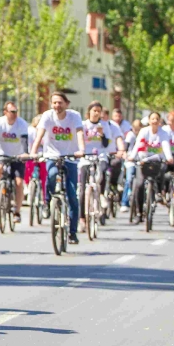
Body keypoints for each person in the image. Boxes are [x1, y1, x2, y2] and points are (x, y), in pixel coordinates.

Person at [30, 92, 85, 244]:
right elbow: (40, 135)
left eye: (60, 102)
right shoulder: (47, 116)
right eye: (54, 102)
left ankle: (72, 233)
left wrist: (81, 149)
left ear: (67, 104)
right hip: (52, 155)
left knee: (72, 195)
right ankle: (48, 202)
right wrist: (33, 152)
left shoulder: (74, 116)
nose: (57, 105)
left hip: (70, 157)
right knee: (52, 174)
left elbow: (79, 133)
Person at [0, 101, 29, 223]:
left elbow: (24, 140)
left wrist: (25, 153)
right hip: (2, 154)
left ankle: (17, 211)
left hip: (18, 156)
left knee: (19, 183)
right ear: (5, 112)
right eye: (12, 111)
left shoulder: (21, 123)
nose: (15, 114)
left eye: (16, 111)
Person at [128, 112, 170, 217]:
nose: (155, 121)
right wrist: (132, 156)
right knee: (140, 184)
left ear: (159, 121)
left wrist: (169, 157)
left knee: (161, 173)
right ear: (149, 120)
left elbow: (165, 145)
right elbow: (138, 145)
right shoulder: (144, 131)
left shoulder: (163, 133)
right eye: (152, 119)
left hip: (157, 160)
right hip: (143, 161)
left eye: (157, 119)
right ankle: (139, 210)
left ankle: (159, 193)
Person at [78, 101, 110, 233]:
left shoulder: (104, 125)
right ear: (89, 112)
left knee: (102, 172)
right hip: (85, 157)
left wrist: (102, 135)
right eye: (94, 110)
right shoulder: (83, 125)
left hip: (100, 156)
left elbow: (106, 144)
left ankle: (101, 194)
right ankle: (82, 219)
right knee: (82, 189)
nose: (96, 113)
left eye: (99, 111)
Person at [120, 119, 143, 212]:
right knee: (129, 179)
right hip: (130, 160)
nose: (137, 131)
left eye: (138, 129)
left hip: (141, 160)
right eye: (135, 129)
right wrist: (125, 154)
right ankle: (124, 202)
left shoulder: (143, 135)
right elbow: (125, 147)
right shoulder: (130, 135)